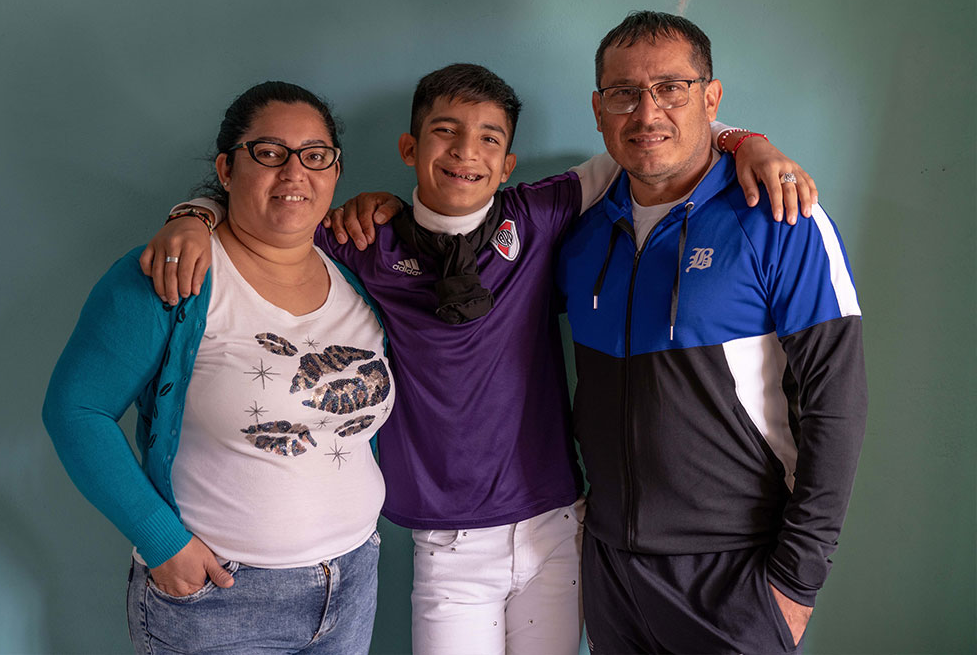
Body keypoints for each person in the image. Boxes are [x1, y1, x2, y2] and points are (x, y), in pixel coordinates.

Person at [143, 64, 816, 655]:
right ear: (409, 147)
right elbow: (271, 210)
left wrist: (746, 141)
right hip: (448, 543)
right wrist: (192, 212)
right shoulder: (363, 239)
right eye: (444, 132)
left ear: (506, 163)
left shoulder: (542, 213)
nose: (465, 152)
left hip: (556, 524)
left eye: (488, 139)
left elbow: (646, 143)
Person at [42, 81, 394, 655]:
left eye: (315, 155)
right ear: (226, 169)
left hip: (352, 579)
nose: (294, 172)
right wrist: (164, 544)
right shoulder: (171, 273)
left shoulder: (357, 269)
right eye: (269, 152)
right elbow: (75, 411)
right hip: (220, 598)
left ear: (334, 171)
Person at [556, 11, 867, 654]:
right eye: (624, 93)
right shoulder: (580, 230)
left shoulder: (783, 217)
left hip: (737, 578)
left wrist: (796, 583)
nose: (648, 113)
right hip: (611, 569)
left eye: (672, 87)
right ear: (598, 108)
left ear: (712, 98)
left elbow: (838, 404)